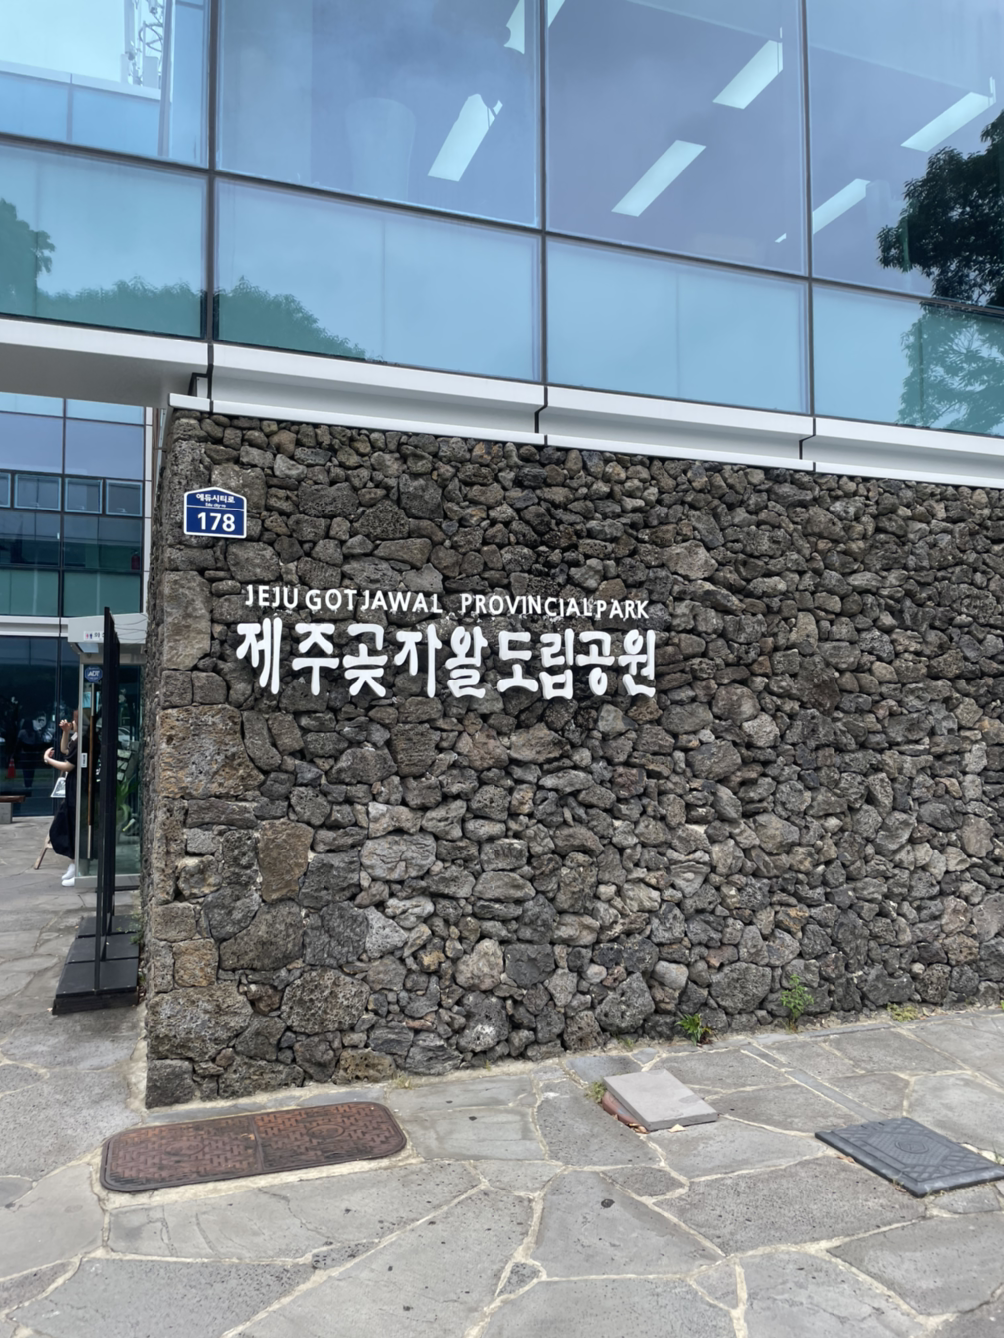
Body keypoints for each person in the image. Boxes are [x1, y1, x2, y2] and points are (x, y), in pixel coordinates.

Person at [44, 711, 78, 886]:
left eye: (73, 720)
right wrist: (65, 732)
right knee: (65, 825)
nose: (71, 723)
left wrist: (47, 760)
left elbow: (68, 765)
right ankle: (74, 862)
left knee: (70, 826)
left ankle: (78, 866)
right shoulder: (77, 737)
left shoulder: (83, 739)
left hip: (77, 787)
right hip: (72, 788)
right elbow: (65, 750)